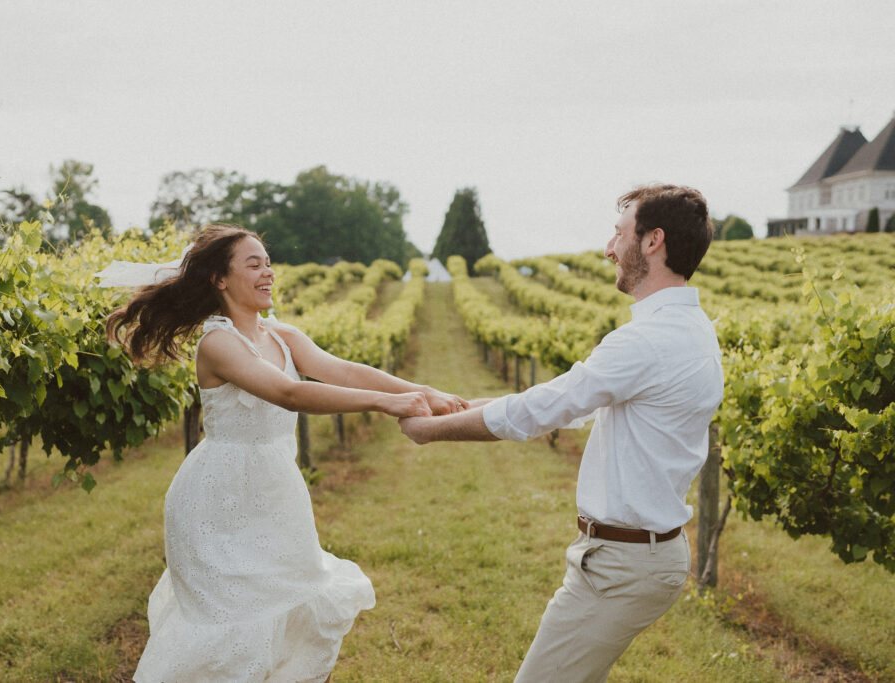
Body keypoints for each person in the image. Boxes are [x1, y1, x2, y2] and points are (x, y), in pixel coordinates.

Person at [104, 224, 466, 682]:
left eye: (268, 262)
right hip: (218, 501)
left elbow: (347, 372)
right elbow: (290, 394)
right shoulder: (217, 343)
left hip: (276, 494)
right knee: (232, 626)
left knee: (289, 606)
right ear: (219, 278)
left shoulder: (282, 336)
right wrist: (386, 403)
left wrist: (423, 390)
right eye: (253, 264)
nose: (268, 272)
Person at [399, 184, 724, 682]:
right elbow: (573, 404)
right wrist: (463, 403)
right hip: (634, 557)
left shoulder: (647, 341)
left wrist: (431, 429)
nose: (608, 249)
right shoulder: (690, 329)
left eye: (619, 234)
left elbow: (541, 411)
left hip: (623, 565)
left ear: (653, 241)